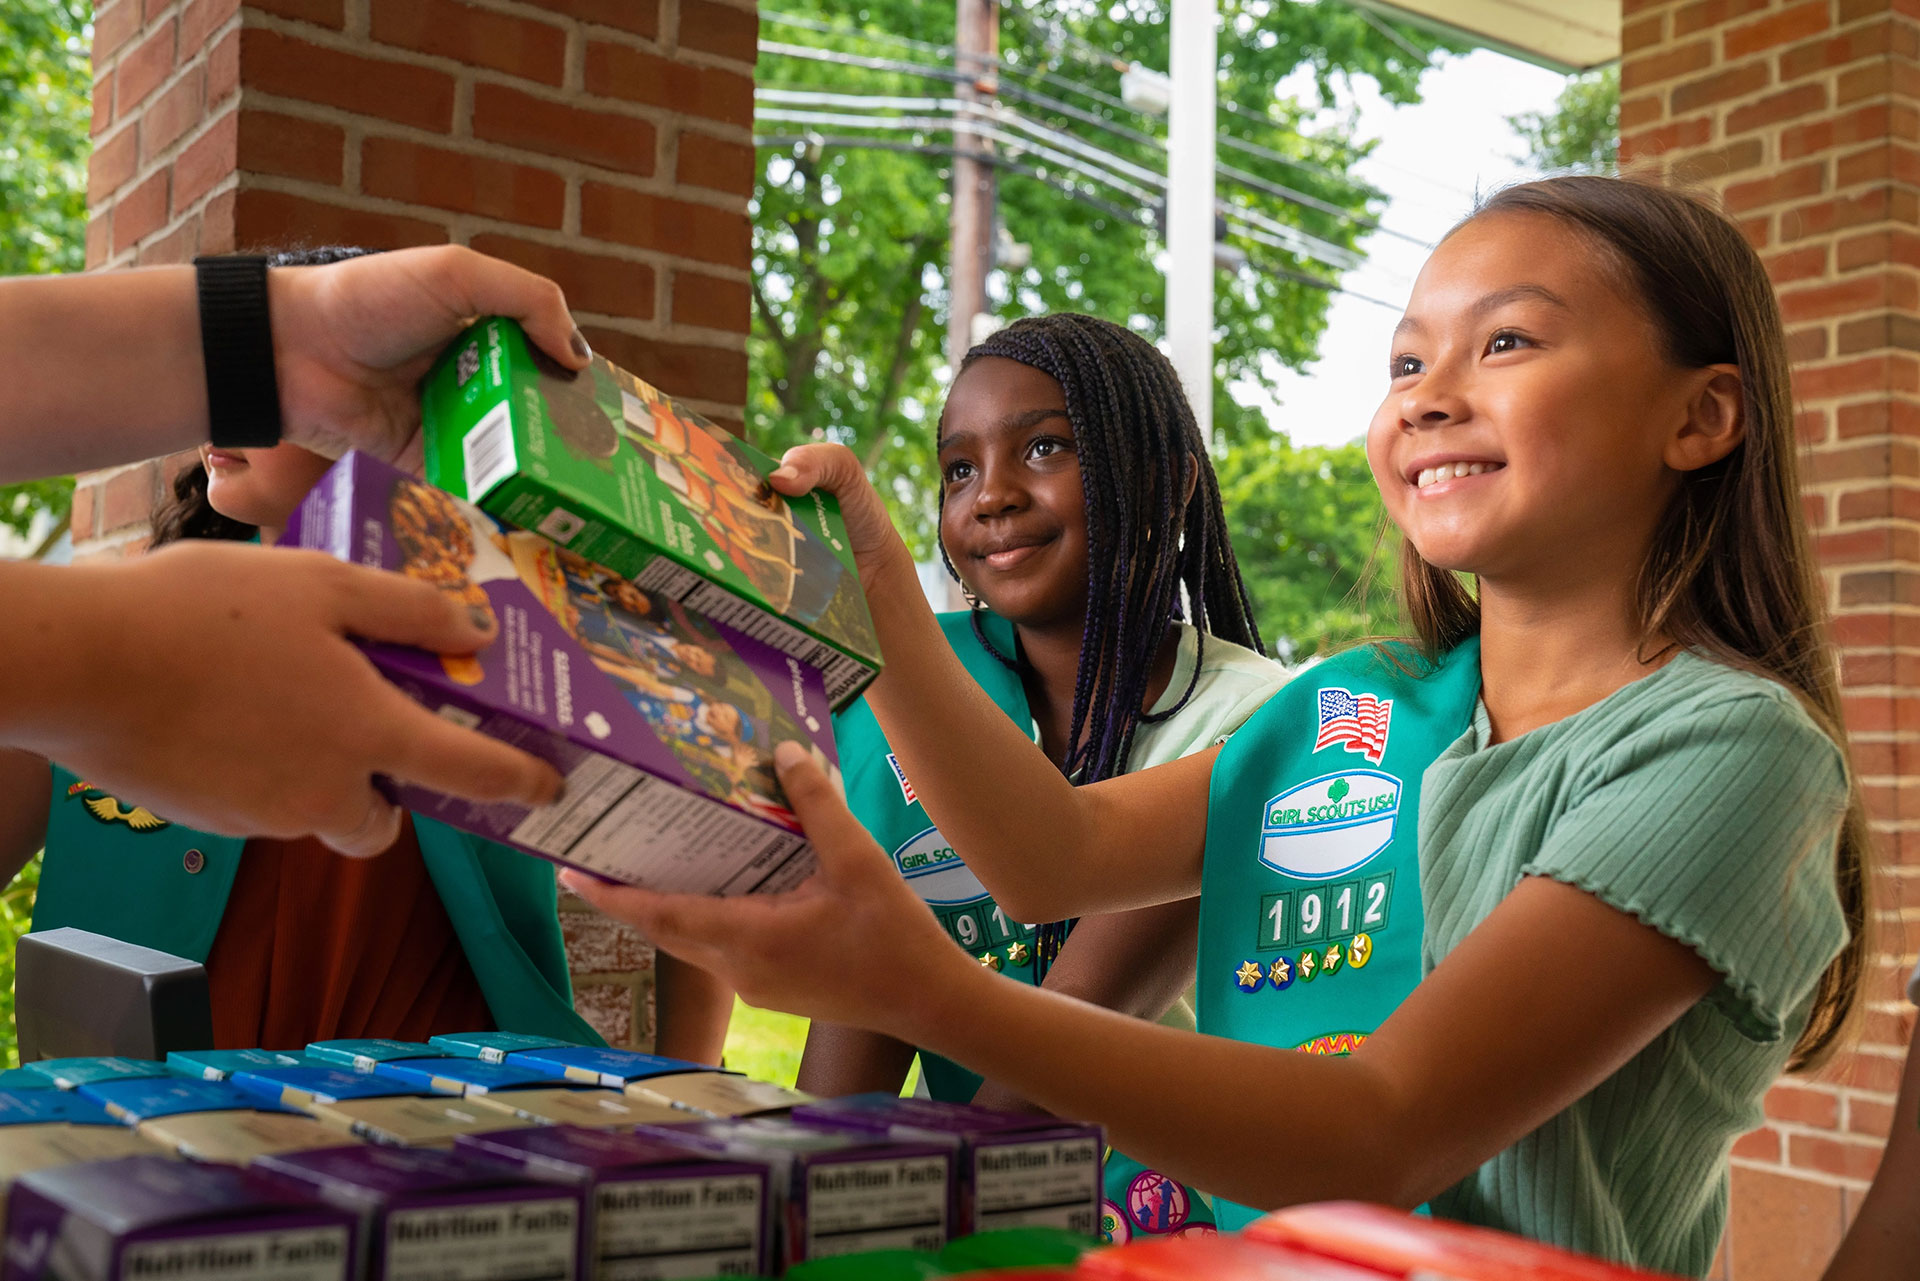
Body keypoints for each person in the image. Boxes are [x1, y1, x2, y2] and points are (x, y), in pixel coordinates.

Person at [567, 175, 1869, 1276]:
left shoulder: (1731, 749)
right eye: (1407, 360)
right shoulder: (1365, 708)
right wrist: (869, 593)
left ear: (1700, 417)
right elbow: (1049, 855)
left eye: (1507, 344)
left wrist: (919, 988)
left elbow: (1382, 1127)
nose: (1426, 394)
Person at [795, 313, 1288, 1240]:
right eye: (959, 469)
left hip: (1184, 1233)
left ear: (1166, 479)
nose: (992, 496)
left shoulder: (1254, 720)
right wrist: (805, 1205)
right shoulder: (905, 701)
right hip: (964, 1217)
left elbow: (1046, 1078)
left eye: (1046, 447)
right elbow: (865, 1021)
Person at [0, 246, 588, 853]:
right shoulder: (158, 601)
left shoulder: (509, 629)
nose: (219, 426)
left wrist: (274, 337)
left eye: (255, 400)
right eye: (226, 399)